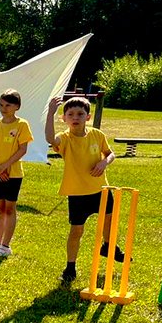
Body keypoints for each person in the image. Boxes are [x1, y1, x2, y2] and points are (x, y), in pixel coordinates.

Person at [44, 95, 121, 283]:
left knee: (109, 219)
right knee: (77, 231)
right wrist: (51, 113)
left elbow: (110, 154)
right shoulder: (64, 138)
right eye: (70, 114)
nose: (75, 117)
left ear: (88, 117)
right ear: (64, 118)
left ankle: (108, 246)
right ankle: (70, 267)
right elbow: (50, 138)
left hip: (101, 189)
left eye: (80, 114)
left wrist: (104, 162)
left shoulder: (97, 134)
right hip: (77, 193)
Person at [0, 89, 33, 258]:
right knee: (0, 208)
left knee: (9, 209)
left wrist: (4, 167)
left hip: (13, 174)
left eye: (8, 105)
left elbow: (22, 149)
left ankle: (6, 246)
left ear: (17, 106)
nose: (3, 108)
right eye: (1, 105)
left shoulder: (22, 125)